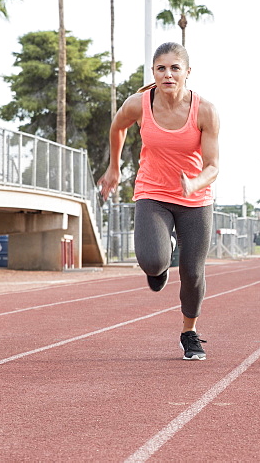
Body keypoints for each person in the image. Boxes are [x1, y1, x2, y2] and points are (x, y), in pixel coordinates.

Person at [98, 42, 220, 360]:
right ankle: (159, 265)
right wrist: (113, 168)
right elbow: (117, 126)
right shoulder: (140, 104)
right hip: (153, 193)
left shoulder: (204, 110)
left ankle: (189, 331)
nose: (168, 74)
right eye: (161, 68)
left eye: (175, 68)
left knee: (193, 273)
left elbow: (213, 166)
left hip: (195, 198)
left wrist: (194, 183)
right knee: (152, 261)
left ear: (187, 72)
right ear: (153, 72)